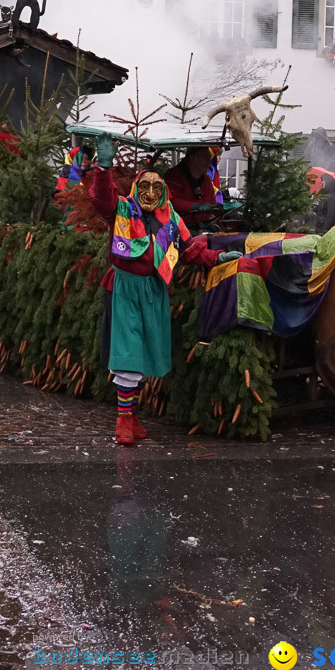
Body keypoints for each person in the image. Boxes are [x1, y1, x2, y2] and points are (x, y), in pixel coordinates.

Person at [89, 134, 241, 445]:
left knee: (145, 356)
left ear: (163, 192)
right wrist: (103, 168)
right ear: (135, 189)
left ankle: (131, 417)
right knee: (129, 354)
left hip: (155, 291)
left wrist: (217, 258)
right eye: (143, 187)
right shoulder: (122, 210)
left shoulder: (171, 218)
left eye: (156, 188)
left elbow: (188, 251)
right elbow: (100, 200)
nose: (149, 192)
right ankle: (123, 422)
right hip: (126, 290)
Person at [164, 147, 220, 231]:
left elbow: (212, 203)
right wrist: (194, 206)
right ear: (192, 158)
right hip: (177, 229)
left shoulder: (207, 180)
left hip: (203, 227)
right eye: (205, 157)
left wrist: (213, 220)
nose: (209, 162)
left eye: (209, 158)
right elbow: (170, 201)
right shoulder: (174, 175)